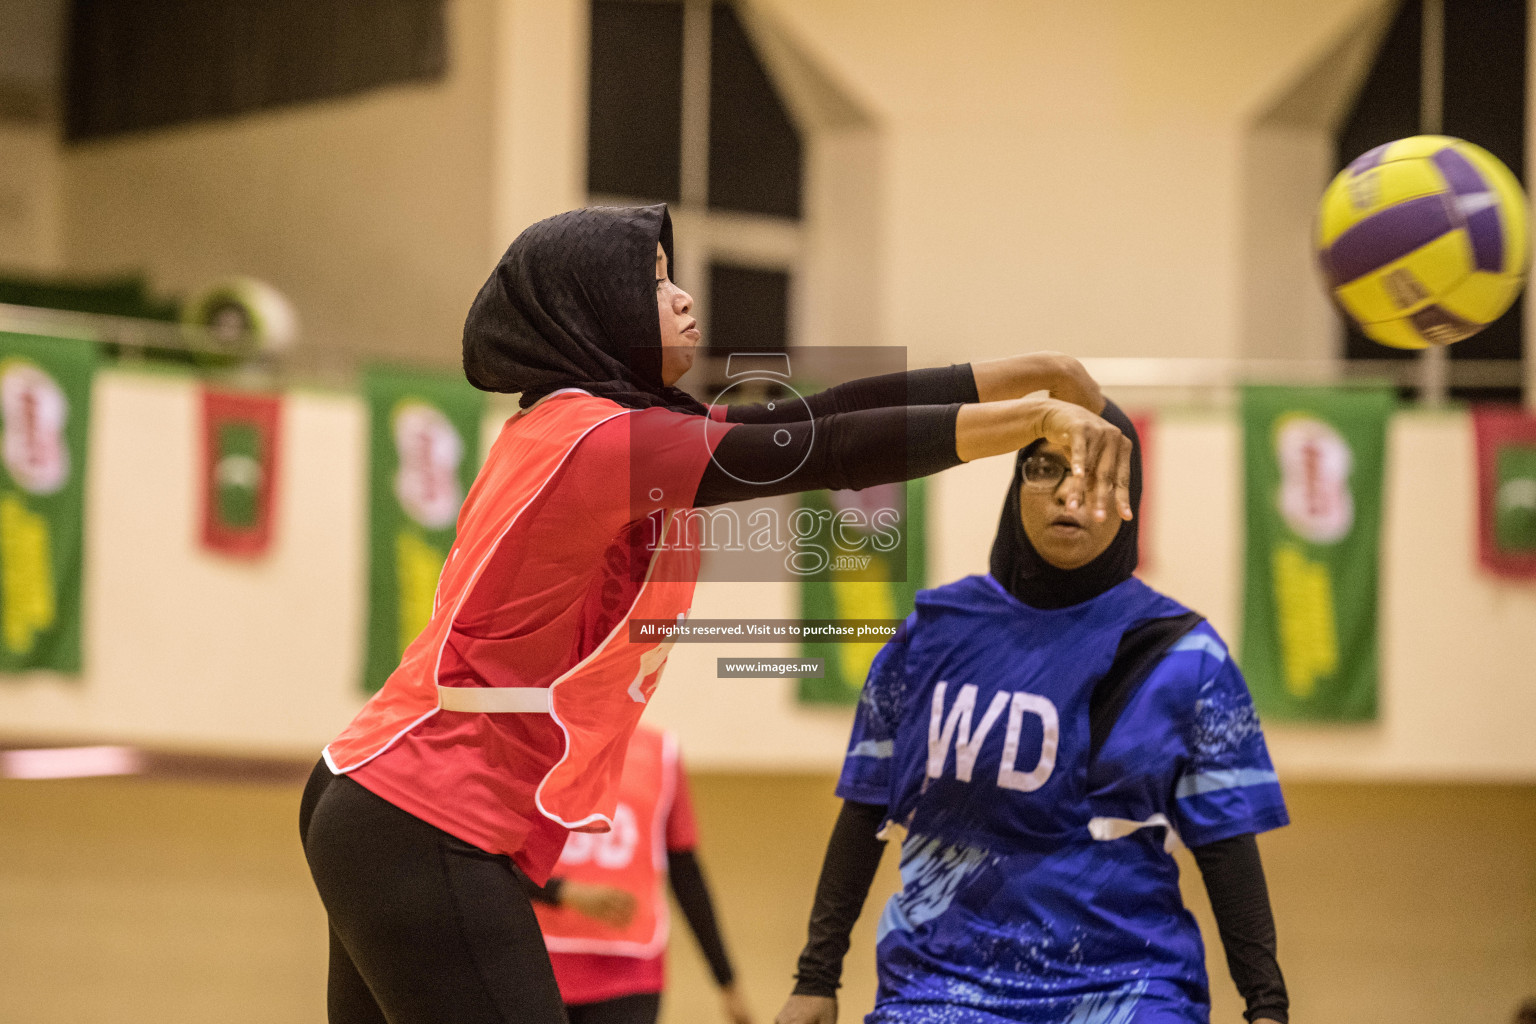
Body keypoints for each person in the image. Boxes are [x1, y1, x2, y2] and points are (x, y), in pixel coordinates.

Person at [298, 202, 1135, 1024]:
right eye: (657, 284)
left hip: (380, 799)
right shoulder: (596, 444)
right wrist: (1031, 419)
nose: (685, 298)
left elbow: (815, 416)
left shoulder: (604, 429)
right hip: (422, 815)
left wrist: (1034, 371)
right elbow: (829, 450)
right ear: (594, 312)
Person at [776, 402, 1291, 1024]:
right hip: (942, 989)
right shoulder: (928, 638)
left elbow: (1227, 848)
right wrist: (815, 977)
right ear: (1016, 486)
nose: (1068, 494)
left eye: (1097, 477)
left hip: (1127, 989)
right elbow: (865, 812)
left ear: (1130, 501)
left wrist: (1268, 1007)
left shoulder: (1186, 656)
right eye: (1045, 469)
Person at [522, 725, 750, 1024]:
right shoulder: (532, 739)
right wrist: (562, 892)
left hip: (631, 971)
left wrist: (727, 981)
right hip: (536, 963)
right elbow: (490, 858)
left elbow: (686, 874)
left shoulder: (662, 752)